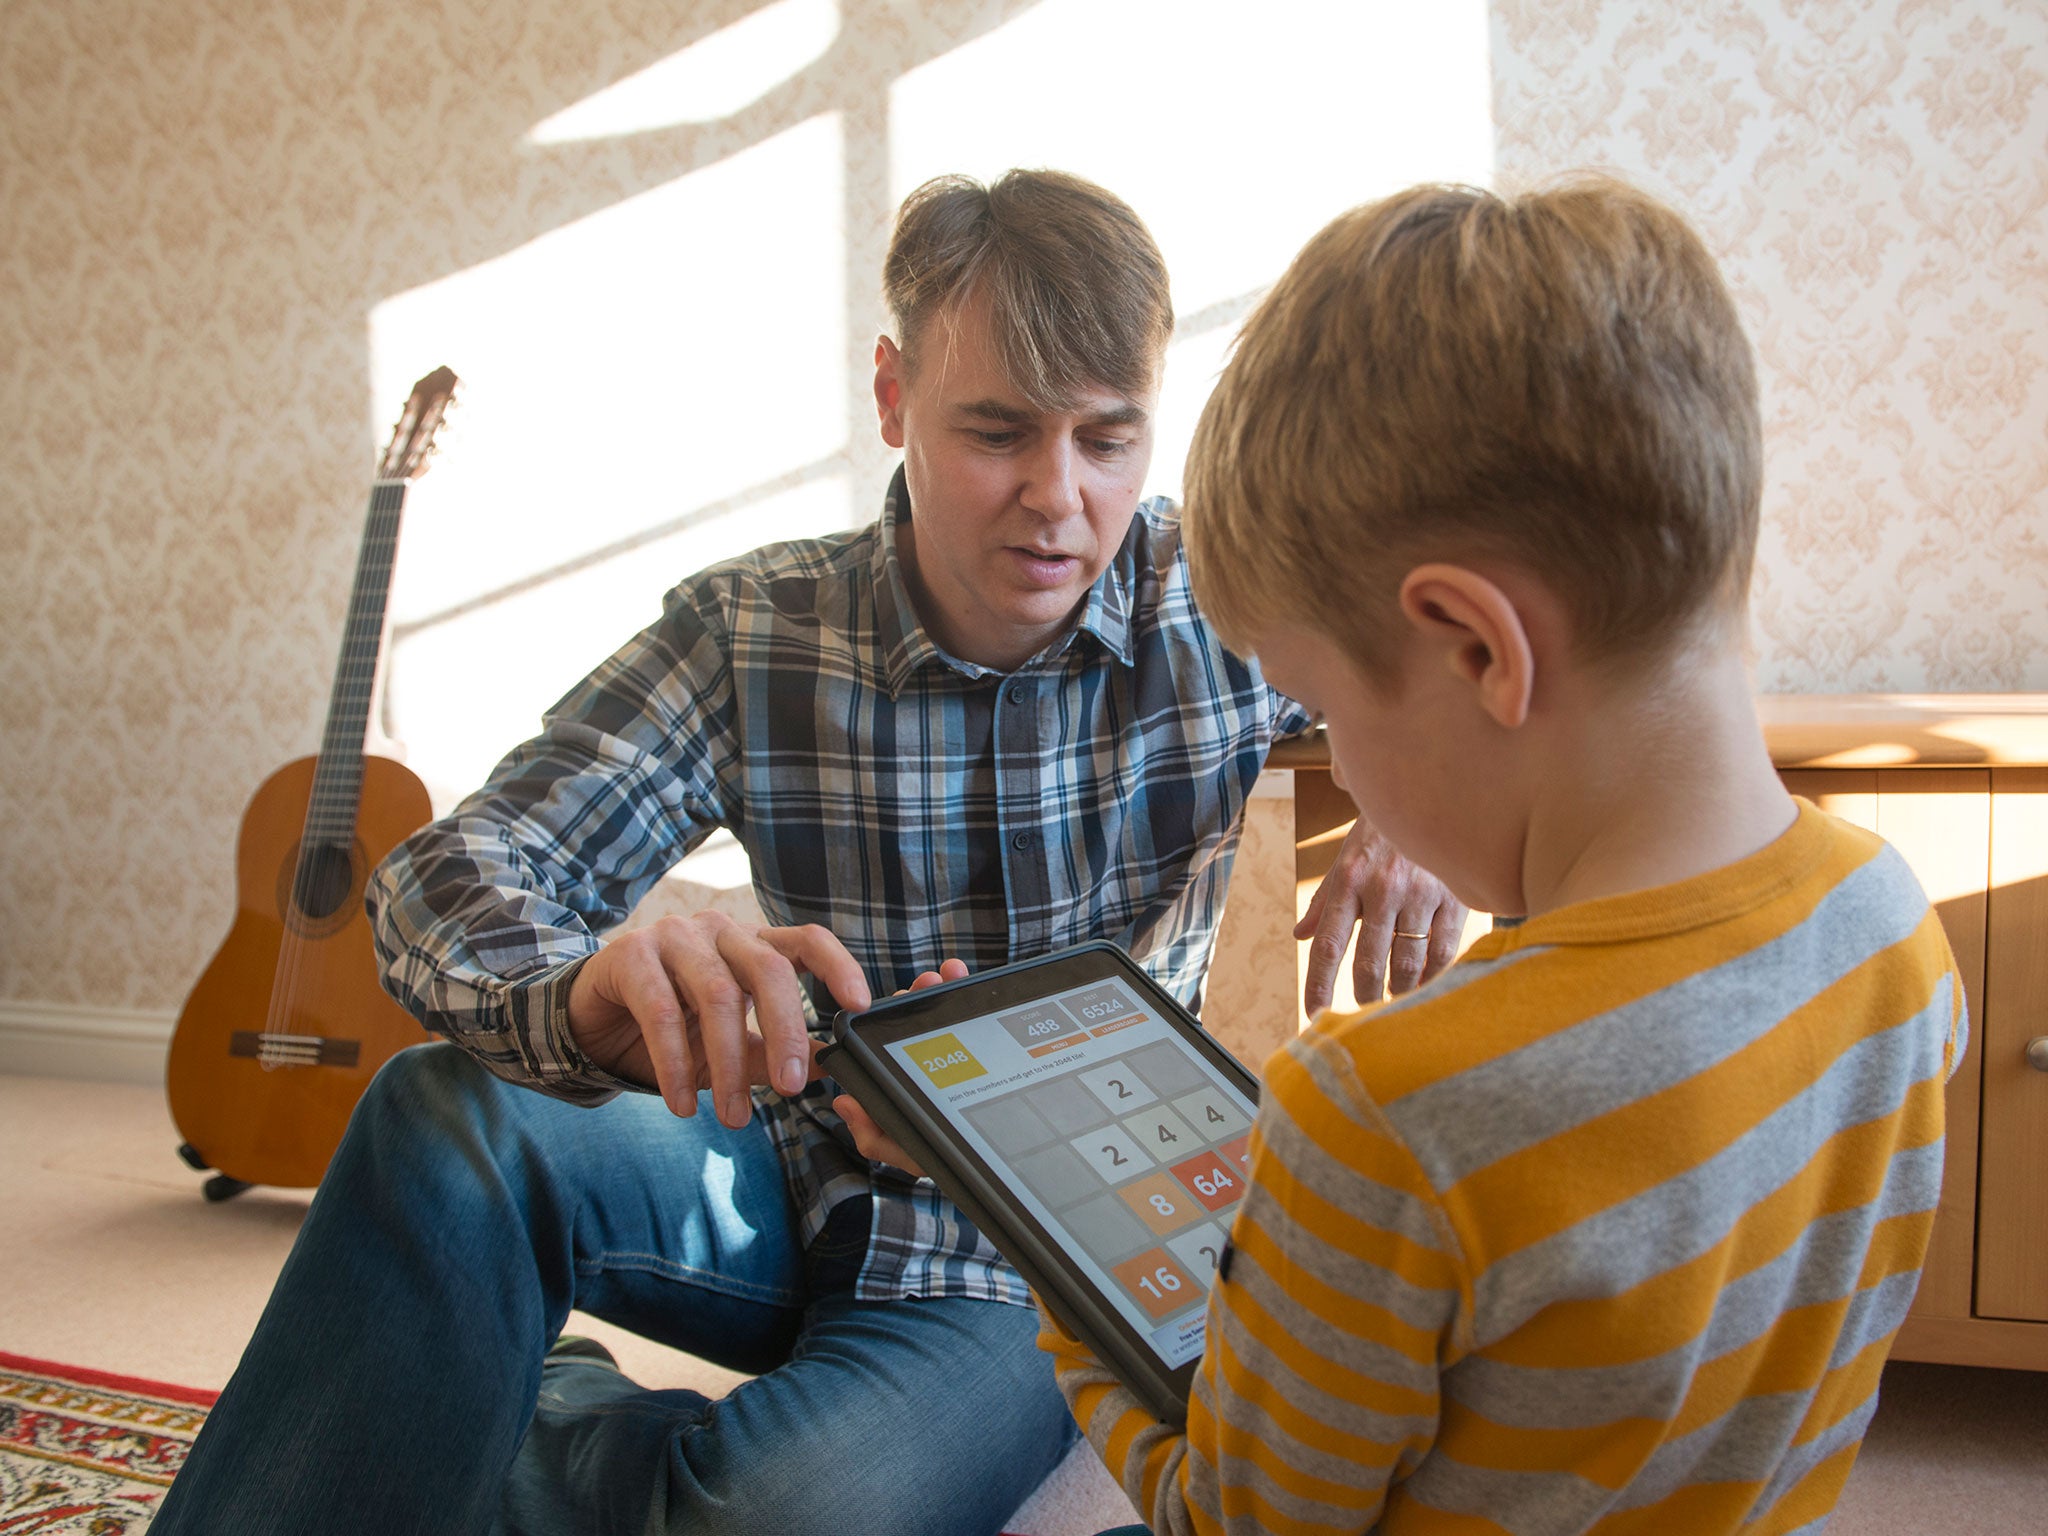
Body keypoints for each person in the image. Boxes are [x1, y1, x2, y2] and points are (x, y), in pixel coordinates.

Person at [152, 169, 1462, 1536]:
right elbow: (443, 876)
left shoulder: (1229, 603)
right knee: (442, 1116)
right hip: (779, 1159)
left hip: (1041, 1256)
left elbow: (1456, 673)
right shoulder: (753, 629)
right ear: (893, 397)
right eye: (998, 433)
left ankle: (521, 1402)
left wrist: (1406, 806)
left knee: (769, 1513)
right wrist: (596, 987)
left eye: (1108, 440)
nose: (1059, 499)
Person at [1017, 179, 1967, 1533]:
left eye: (1330, 708)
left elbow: (1236, 1518)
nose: (1338, 763)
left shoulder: (1386, 1113)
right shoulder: (1893, 928)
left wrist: (1069, 1291)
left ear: (1476, 647)